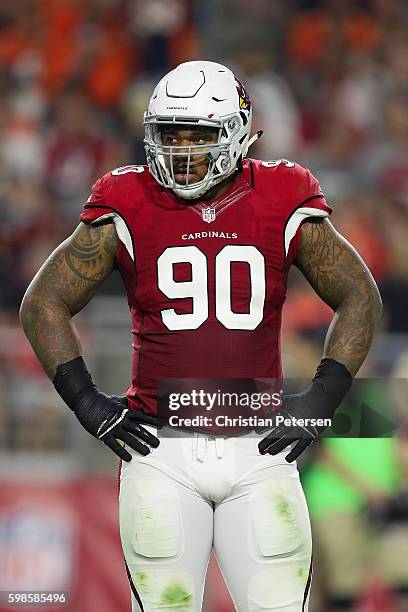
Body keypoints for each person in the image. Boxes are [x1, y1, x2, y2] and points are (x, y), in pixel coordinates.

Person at [20, 61, 382, 612]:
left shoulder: (284, 192)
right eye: (170, 135)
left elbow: (360, 296)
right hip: (159, 450)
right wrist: (89, 404)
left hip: (258, 446)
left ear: (236, 133)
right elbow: (43, 302)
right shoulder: (127, 197)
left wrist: (319, 403)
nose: (182, 151)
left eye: (199, 135)